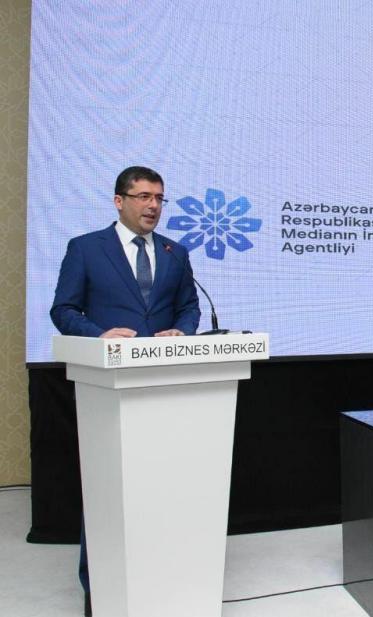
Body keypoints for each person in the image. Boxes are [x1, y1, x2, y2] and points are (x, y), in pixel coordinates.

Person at [50, 166, 201, 616]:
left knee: (163, 484)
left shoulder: (175, 252)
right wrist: (99, 335)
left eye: (159, 198)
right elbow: (63, 309)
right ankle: (99, 586)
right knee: (107, 488)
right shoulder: (86, 248)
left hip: (165, 386)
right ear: (120, 201)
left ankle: (161, 575)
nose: (153, 206)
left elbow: (189, 307)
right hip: (109, 386)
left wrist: (181, 332)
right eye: (143, 197)